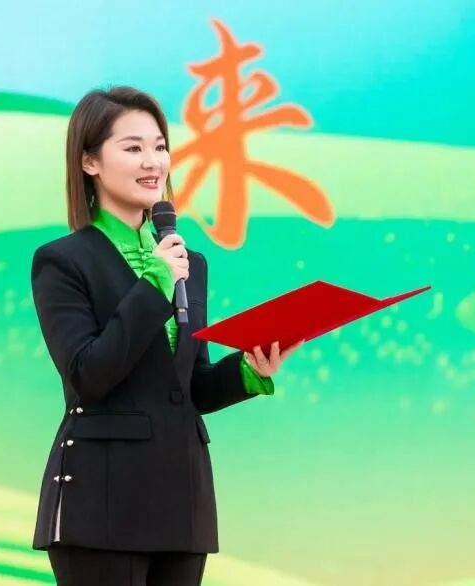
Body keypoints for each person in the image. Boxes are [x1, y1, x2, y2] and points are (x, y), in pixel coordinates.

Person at [30, 86, 301, 586]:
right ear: (89, 161)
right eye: (133, 148)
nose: (153, 161)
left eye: (159, 146)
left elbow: (190, 386)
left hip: (182, 498)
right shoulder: (63, 262)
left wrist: (248, 369)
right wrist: (154, 284)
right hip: (102, 500)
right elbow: (89, 374)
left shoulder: (188, 263)